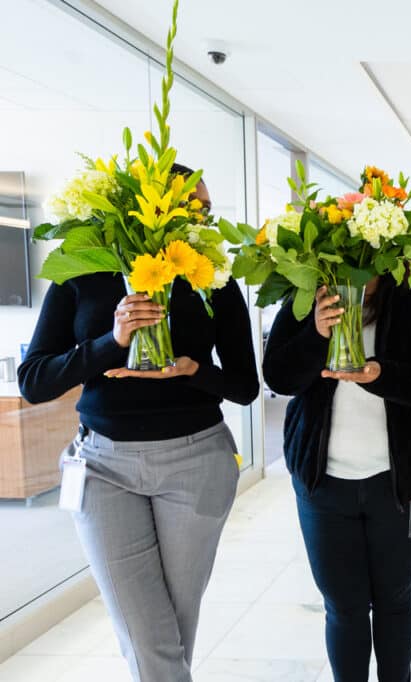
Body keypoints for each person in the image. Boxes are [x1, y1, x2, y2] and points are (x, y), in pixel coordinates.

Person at [18, 165, 259, 682]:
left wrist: (193, 370)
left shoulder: (211, 275)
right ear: (150, 208)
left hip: (196, 463)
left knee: (168, 635)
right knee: (151, 639)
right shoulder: (80, 269)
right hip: (102, 467)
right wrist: (113, 341)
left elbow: (244, 385)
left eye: (206, 212)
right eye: (193, 210)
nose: (203, 221)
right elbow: (34, 381)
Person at [262, 272, 411, 682]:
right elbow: (278, 376)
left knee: (395, 598)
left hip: (402, 484)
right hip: (323, 485)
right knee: (344, 607)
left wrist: (380, 375)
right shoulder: (305, 303)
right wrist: (316, 333)